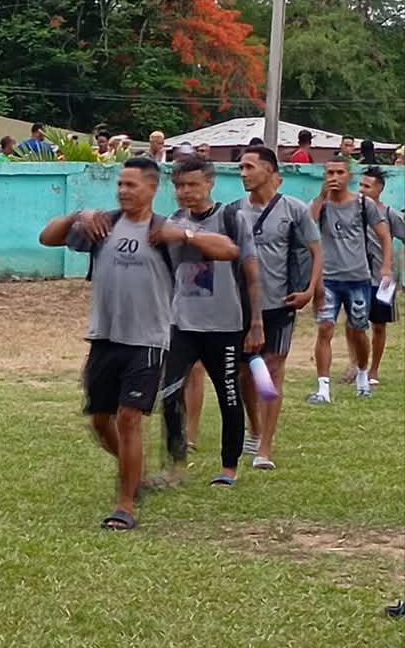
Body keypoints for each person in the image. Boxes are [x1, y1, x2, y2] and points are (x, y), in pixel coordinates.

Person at [40, 158, 183, 530]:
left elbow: (222, 251)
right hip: (104, 337)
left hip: (147, 340)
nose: (123, 190)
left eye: (131, 185)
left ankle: (125, 504)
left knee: (130, 419)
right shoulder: (103, 225)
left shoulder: (163, 230)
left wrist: (185, 237)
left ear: (152, 188)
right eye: (120, 184)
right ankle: (134, 471)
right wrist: (77, 214)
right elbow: (47, 237)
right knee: (101, 421)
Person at [154, 158, 257, 488]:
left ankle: (229, 468)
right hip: (182, 324)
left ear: (209, 183)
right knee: (169, 395)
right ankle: (176, 464)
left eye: (192, 185)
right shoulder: (170, 222)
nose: (185, 192)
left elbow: (250, 271)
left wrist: (256, 322)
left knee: (228, 396)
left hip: (224, 325)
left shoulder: (231, 217)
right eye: (179, 186)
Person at [232, 147, 322, 469]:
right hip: (243, 307)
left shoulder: (295, 210)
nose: (243, 172)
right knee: (246, 372)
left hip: (281, 304)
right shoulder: (233, 212)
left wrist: (309, 290)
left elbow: (315, 251)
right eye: (241, 167)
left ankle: (265, 448)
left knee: (272, 369)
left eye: (249, 166)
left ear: (270, 170)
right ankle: (254, 427)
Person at [308, 158, 392, 402]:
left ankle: (363, 375)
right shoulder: (321, 204)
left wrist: (386, 266)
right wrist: (322, 196)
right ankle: (323, 388)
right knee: (325, 328)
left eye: (340, 172)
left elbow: (384, 236)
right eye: (330, 172)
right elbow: (308, 222)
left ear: (349, 175)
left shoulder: (364, 204)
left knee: (358, 331)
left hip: (358, 277)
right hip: (328, 279)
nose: (335, 177)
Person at [357, 167, 404, 384]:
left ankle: (374, 370)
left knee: (379, 325)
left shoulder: (389, 214)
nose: (362, 190)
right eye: (360, 185)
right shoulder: (353, 212)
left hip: (383, 279)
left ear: (378, 189)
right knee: (354, 324)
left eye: (367, 186)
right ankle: (358, 366)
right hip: (356, 277)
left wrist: (397, 270)